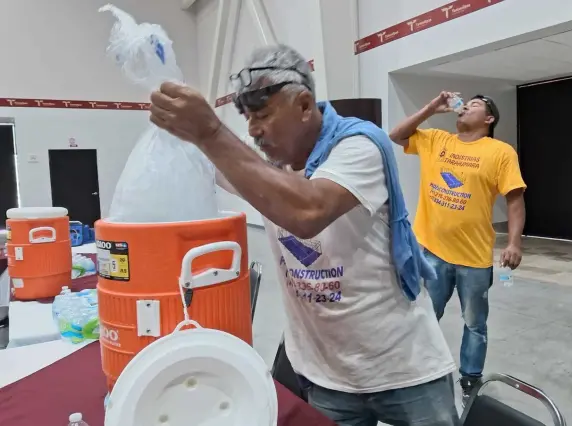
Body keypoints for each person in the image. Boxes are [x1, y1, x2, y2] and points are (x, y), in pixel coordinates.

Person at [149, 44, 460, 426]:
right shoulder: (265, 164)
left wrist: (210, 131)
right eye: (246, 117)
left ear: (304, 105)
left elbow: (307, 212)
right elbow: (217, 163)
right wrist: (183, 131)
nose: (252, 129)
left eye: (262, 114)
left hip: (403, 367)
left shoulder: (358, 146)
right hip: (326, 376)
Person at [389, 92, 527, 404]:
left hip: (474, 260)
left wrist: (514, 242)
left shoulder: (500, 152)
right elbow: (396, 136)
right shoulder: (437, 139)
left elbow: (515, 199)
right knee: (424, 316)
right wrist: (430, 107)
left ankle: (470, 382)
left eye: (475, 105)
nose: (465, 106)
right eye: (465, 104)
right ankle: (415, 373)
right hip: (432, 254)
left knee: (474, 324)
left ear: (489, 119)